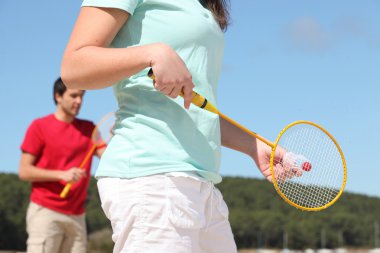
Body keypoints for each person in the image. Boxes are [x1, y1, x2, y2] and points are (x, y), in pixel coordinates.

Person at [60, 1, 286, 252]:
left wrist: (252, 145)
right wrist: (153, 53)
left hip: (202, 185)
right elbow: (73, 66)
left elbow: (194, 107)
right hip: (153, 179)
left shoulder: (203, 5)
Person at [19, 77, 106, 253]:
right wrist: (61, 174)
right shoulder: (39, 127)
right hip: (45, 211)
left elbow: (108, 157)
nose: (79, 101)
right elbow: (24, 171)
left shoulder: (90, 129)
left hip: (77, 215)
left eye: (81, 96)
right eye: (73, 96)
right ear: (58, 96)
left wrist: (118, 138)